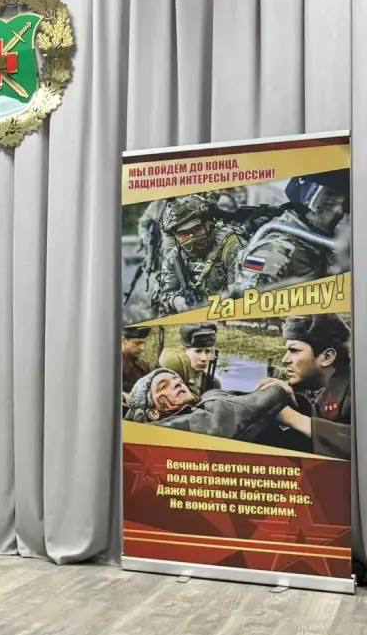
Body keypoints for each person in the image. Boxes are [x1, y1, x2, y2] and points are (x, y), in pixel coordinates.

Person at [237, 173, 349, 291]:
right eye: (329, 198)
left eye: (346, 203)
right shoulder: (272, 250)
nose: (339, 211)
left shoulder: (326, 249)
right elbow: (248, 296)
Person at [126, 368, 293, 442]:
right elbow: (220, 423)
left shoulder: (203, 399)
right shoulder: (159, 430)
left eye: (178, 380)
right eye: (164, 386)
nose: (177, 383)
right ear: (153, 413)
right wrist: (277, 391)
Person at [268, 314, 353, 459]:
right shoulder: (321, 385)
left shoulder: (358, 387)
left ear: (327, 357)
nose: (284, 360)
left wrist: (288, 416)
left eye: (294, 350)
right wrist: (296, 401)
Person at [151, 195, 243, 315]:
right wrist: (175, 301)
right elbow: (164, 294)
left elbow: (241, 292)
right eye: (183, 233)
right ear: (175, 236)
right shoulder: (175, 257)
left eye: (196, 229)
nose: (191, 237)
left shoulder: (230, 246)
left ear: (208, 224)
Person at [158, 322, 219, 399]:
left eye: (208, 351)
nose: (204, 358)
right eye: (198, 351)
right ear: (184, 350)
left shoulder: (213, 382)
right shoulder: (172, 381)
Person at [120, 326, 151, 401]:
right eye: (137, 343)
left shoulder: (143, 364)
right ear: (124, 340)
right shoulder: (110, 364)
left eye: (143, 343)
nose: (142, 348)